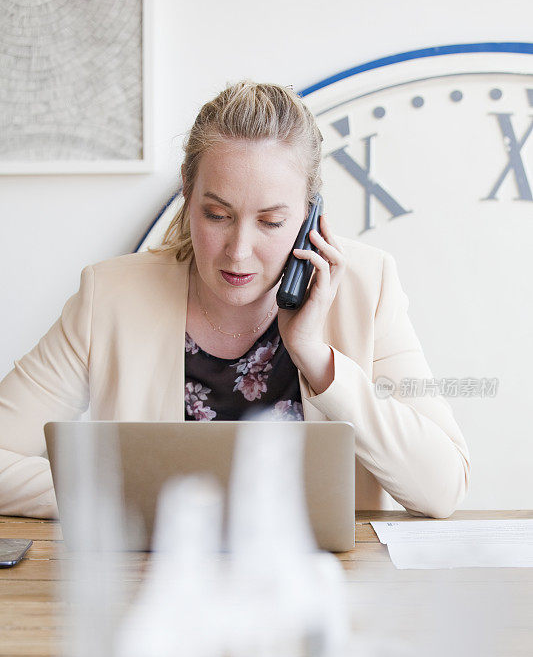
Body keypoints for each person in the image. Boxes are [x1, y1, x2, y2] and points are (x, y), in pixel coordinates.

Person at [0, 80, 470, 520]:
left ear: (310, 213)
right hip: (159, 589)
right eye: (217, 214)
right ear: (188, 191)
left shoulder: (367, 287)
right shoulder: (111, 297)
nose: (239, 250)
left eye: (270, 222)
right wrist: (133, 497)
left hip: (326, 592)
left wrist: (318, 358)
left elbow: (442, 487)